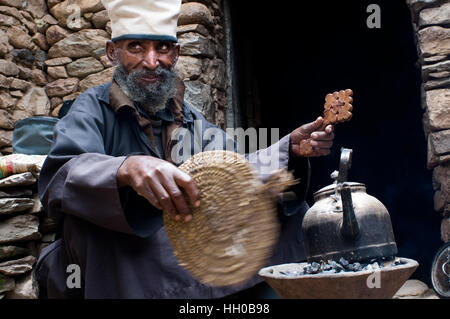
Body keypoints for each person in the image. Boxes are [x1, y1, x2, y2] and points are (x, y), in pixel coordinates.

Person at [35, 0, 335, 298]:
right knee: (113, 237)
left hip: (184, 234)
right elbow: (63, 174)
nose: (151, 61)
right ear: (113, 52)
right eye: (136, 47)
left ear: (176, 54)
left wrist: (289, 150)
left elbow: (235, 169)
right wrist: (125, 169)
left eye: (162, 49)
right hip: (125, 245)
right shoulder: (92, 108)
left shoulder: (187, 116)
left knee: (289, 214)